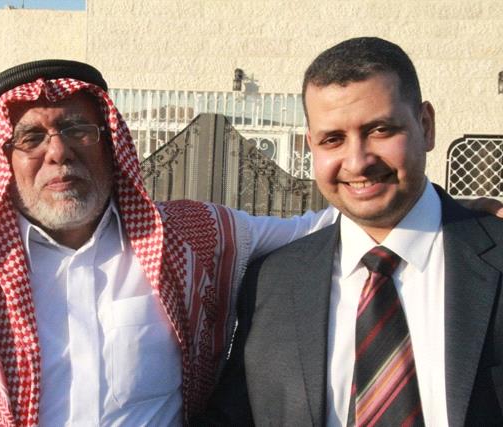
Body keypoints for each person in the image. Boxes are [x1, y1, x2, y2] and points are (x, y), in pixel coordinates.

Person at [0, 59, 339, 426]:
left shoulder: (188, 236)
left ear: (109, 144)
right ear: (5, 160)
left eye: (78, 129)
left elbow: (320, 227)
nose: (58, 152)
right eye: (31, 138)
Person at [199, 37, 503, 426]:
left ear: (425, 126)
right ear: (312, 146)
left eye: (380, 130)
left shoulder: (493, 254)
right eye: (333, 139)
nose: (357, 162)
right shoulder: (273, 283)